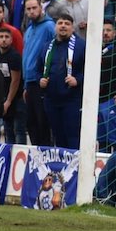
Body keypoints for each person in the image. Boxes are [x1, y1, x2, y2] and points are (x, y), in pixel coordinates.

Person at [39, 14, 86, 150]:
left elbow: (90, 69)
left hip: (72, 99)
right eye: (60, 23)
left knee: (72, 135)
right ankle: (61, 168)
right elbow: (38, 69)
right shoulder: (47, 46)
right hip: (51, 99)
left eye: (67, 23)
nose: (63, 26)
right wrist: (40, 79)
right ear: (55, 27)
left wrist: (77, 79)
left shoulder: (81, 46)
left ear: (73, 28)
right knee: (57, 135)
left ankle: (75, 168)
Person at [22, 0, 55, 146]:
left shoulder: (49, 26)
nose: (31, 11)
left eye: (34, 8)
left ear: (41, 6)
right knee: (31, 122)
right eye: (28, 9)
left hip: (41, 81)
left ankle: (47, 155)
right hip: (29, 82)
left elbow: (54, 50)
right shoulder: (29, 29)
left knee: (43, 123)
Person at [0, 27, 27, 144]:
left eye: (7, 37)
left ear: (11, 40)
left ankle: (21, 157)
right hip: (2, 96)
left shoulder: (14, 56)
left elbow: (15, 80)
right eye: (1, 37)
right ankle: (9, 156)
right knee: (7, 129)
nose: (4, 40)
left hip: (16, 98)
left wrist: (8, 101)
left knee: (18, 130)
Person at [97, 20, 116, 152]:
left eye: (108, 30)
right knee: (101, 137)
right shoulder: (95, 50)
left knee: (114, 136)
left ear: (114, 33)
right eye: (103, 30)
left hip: (112, 100)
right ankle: (103, 167)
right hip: (97, 100)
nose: (105, 33)